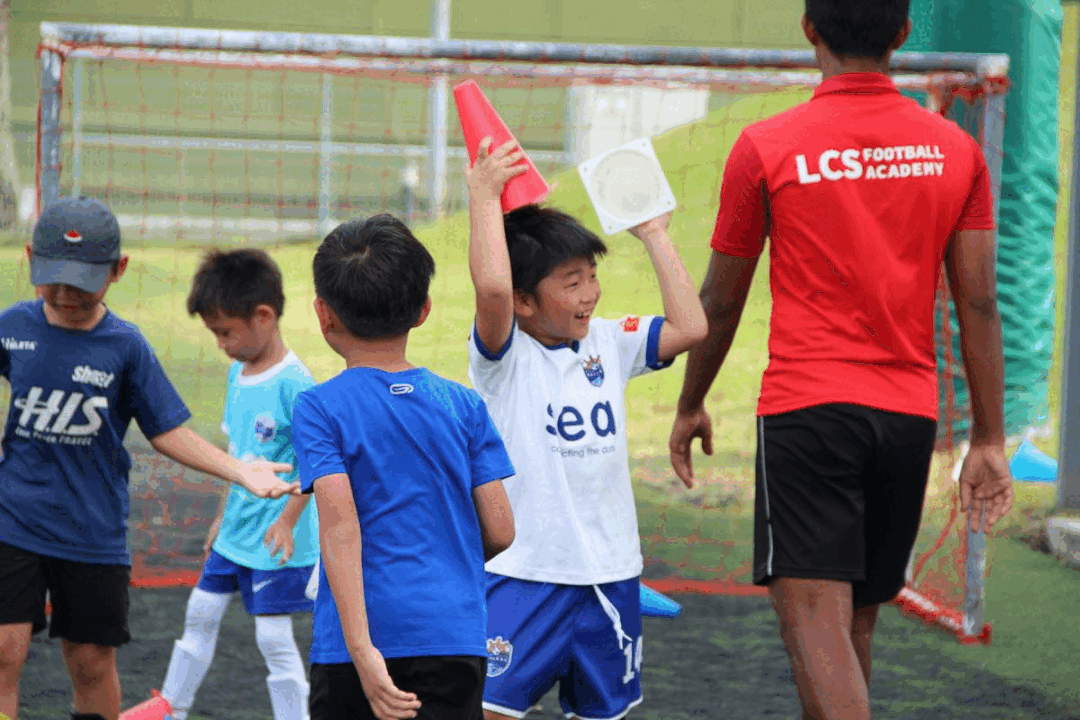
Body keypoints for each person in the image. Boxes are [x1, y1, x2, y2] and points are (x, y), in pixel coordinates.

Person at [668, 2, 1014, 718]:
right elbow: (978, 304)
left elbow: (721, 299)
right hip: (908, 420)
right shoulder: (955, 149)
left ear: (808, 29)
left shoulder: (768, 144)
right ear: (902, 34)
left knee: (814, 626)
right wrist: (987, 436)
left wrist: (689, 400)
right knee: (853, 622)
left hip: (808, 415)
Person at [0, 197, 296, 720]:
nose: (65, 294)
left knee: (91, 661)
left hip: (92, 533)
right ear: (28, 259)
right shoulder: (13, 327)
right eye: (52, 279)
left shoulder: (125, 347)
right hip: (13, 522)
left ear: (118, 271)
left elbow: (166, 429)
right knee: (5, 650)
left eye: (82, 281)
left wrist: (239, 469)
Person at [466, 138, 707, 720]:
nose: (589, 295)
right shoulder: (502, 359)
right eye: (570, 283)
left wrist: (653, 234)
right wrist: (482, 197)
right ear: (525, 302)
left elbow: (691, 325)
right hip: (523, 578)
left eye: (590, 277)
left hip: (610, 578)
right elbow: (493, 288)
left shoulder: (607, 340)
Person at [292, 214, 516, 720]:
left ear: (324, 314)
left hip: (356, 643)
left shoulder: (319, 408)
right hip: (455, 637)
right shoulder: (464, 405)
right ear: (424, 310)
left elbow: (340, 526)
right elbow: (501, 530)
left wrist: (364, 652)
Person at [154, 249, 319, 720]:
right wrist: (220, 520)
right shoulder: (235, 373)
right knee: (199, 614)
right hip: (234, 533)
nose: (221, 344)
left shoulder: (295, 384)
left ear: (263, 316)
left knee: (272, 637)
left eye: (226, 332)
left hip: (275, 539)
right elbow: (235, 458)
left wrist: (287, 522)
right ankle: (172, 708)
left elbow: (314, 465)